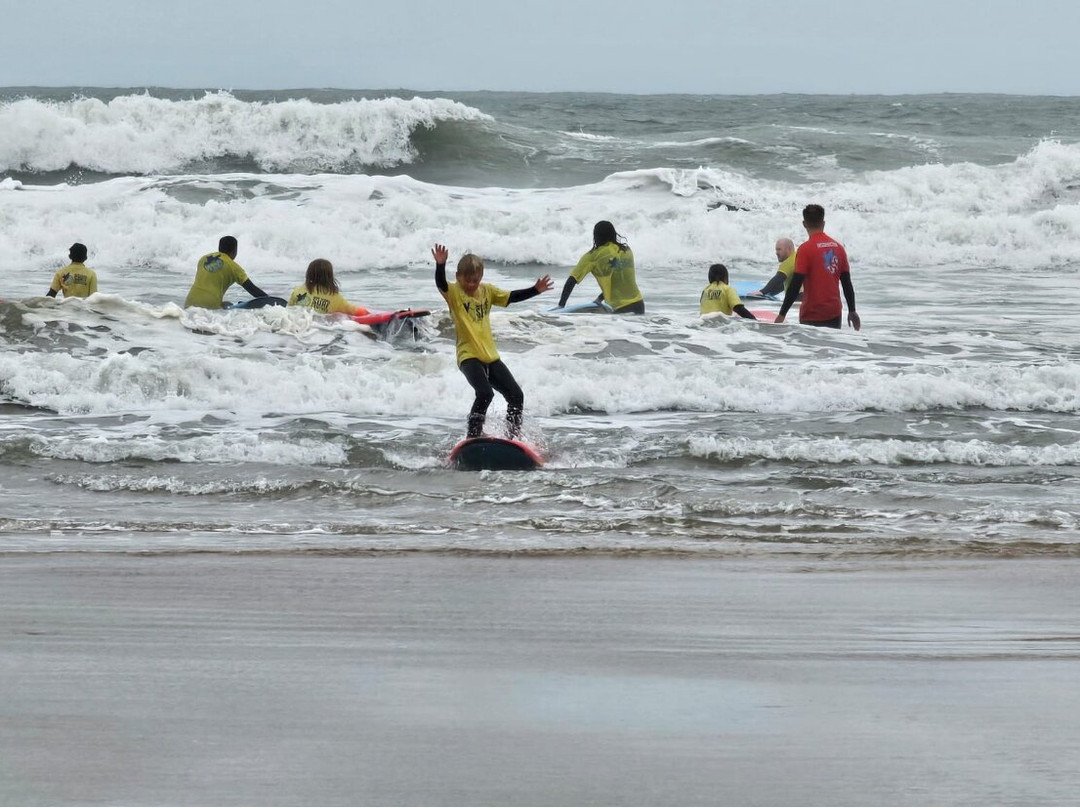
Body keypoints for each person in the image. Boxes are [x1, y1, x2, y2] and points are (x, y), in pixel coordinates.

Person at [432, 243, 553, 439]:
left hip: (490, 356)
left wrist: (535, 290)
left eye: (476, 280)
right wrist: (440, 265)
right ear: (458, 277)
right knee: (485, 393)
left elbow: (511, 297)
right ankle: (473, 435)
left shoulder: (487, 291)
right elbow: (441, 284)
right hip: (468, 356)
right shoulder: (454, 293)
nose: (472, 284)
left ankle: (513, 437)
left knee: (516, 396)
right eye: (468, 281)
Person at [775, 205, 861, 330]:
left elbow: (795, 284)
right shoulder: (838, 248)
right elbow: (847, 283)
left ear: (804, 224)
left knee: (811, 349)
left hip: (811, 313)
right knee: (831, 349)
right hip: (834, 312)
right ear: (823, 223)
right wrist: (852, 310)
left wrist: (782, 314)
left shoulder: (805, 249)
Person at [557, 220, 644, 314]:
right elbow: (619, 281)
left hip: (620, 309)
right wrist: (599, 298)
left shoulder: (594, 256)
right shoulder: (626, 250)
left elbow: (571, 281)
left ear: (596, 236)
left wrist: (561, 306)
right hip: (639, 305)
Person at [184, 236, 269, 309]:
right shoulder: (234, 267)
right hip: (210, 306)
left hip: (189, 303)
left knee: (227, 304)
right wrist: (271, 301)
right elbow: (253, 290)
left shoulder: (203, 259)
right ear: (234, 251)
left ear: (219, 248)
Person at [287, 259, 369, 316]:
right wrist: (368, 312)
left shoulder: (297, 291)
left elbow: (289, 309)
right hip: (321, 328)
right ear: (329, 276)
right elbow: (352, 310)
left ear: (309, 274)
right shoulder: (335, 297)